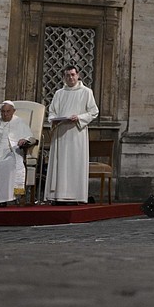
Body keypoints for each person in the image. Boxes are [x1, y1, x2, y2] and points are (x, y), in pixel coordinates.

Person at [45, 65, 99, 204]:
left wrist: (79, 118)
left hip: (76, 133)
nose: (70, 78)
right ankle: (57, 196)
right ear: (64, 77)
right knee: (60, 164)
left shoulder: (86, 92)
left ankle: (76, 196)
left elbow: (93, 112)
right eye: (67, 75)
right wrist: (54, 119)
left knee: (75, 164)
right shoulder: (59, 93)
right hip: (61, 133)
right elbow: (52, 112)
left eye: (73, 75)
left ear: (78, 75)